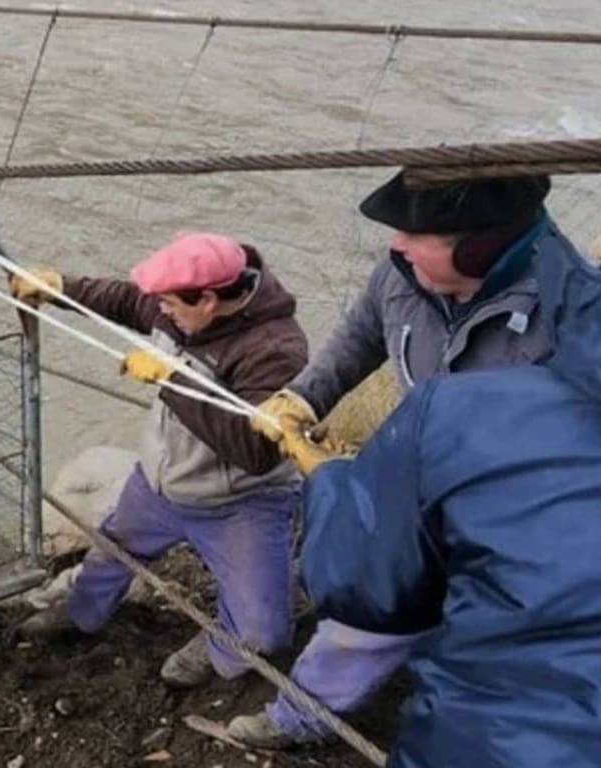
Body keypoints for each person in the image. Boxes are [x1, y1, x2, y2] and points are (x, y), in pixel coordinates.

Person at [228, 171, 588, 746]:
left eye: (417, 232)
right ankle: (303, 717)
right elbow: (360, 336)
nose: (396, 243)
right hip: (421, 495)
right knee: (365, 617)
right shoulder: (402, 277)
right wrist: (301, 398)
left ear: (480, 246)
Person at [12, 232, 308, 688]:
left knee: (262, 632)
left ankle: (219, 646)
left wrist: (173, 379)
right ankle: (80, 613)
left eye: (169, 303)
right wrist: (59, 286)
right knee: (112, 551)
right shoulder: (176, 311)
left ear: (207, 299)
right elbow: (127, 300)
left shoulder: (276, 349)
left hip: (241, 504)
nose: (160, 311)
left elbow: (254, 452)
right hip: (157, 485)